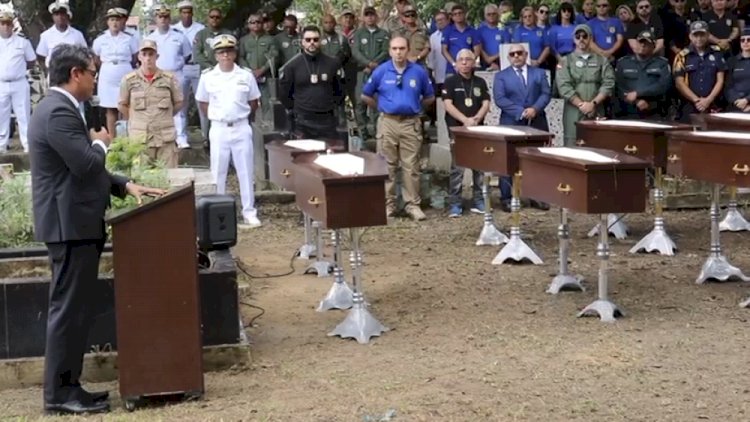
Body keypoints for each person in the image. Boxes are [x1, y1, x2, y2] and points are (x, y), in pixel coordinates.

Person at [29, 43, 164, 415]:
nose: (94, 79)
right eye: (91, 72)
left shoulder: (64, 108)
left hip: (76, 222)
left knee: (77, 310)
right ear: (75, 74)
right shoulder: (56, 111)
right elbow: (85, 164)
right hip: (67, 225)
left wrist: (123, 185)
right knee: (67, 311)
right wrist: (101, 143)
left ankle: (71, 386)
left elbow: (86, 168)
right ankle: (58, 395)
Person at [362, 36, 435, 221]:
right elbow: (366, 95)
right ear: (389, 50)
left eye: (402, 48)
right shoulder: (381, 71)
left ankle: (413, 205)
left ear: (408, 49)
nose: (398, 52)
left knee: (411, 166)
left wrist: (415, 109)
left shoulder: (418, 72)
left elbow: (429, 97)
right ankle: (389, 205)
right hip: (388, 122)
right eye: (394, 48)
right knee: (387, 165)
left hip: (410, 123)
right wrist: (382, 107)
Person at [196, 35, 262, 228]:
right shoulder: (208, 76)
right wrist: (218, 117)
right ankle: (219, 213)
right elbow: (203, 102)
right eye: (221, 52)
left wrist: (241, 116)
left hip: (241, 126)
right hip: (219, 128)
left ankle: (249, 212)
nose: (225, 55)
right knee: (218, 172)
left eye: (228, 51)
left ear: (234, 53)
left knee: (246, 171)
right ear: (216, 55)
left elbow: (254, 102)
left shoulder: (245, 75)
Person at [494, 43, 551, 211]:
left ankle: (537, 196)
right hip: (511, 121)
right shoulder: (501, 76)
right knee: (508, 159)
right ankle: (506, 197)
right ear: (508, 57)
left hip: (537, 120)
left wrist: (534, 109)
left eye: (520, 53)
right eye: (512, 54)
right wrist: (521, 111)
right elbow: (500, 99)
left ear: (526, 54)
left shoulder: (539, 73)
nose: (516, 56)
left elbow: (546, 93)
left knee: (537, 159)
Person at [118, 39, 183, 168]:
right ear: (139, 56)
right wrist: (136, 119)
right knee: (141, 179)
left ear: (157, 56)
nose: (148, 58)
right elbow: (122, 104)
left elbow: (178, 102)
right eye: (145, 54)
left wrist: (165, 115)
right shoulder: (129, 80)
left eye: (151, 54)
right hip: (140, 138)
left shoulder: (169, 79)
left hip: (165, 137)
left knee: (169, 178)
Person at [442, 49, 490, 218]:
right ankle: (455, 203)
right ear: (456, 62)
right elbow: (448, 105)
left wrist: (476, 118)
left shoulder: (480, 82)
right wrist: (465, 120)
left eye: (468, 59)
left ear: (473, 62)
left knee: (479, 166)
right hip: (457, 130)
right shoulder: (450, 82)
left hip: (477, 130)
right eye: (461, 59)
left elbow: (486, 103)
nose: (464, 63)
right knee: (457, 167)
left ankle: (478, 201)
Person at [556, 24, 615, 145]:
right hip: (573, 110)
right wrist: (582, 105)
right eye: (578, 36)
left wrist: (593, 104)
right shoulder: (565, 61)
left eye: (584, 36)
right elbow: (563, 86)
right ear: (573, 39)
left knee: (598, 144)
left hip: (597, 108)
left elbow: (608, 83)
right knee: (572, 144)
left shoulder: (602, 60)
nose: (581, 39)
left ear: (590, 38)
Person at [278, 25, 342, 138]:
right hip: (302, 120)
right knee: (303, 155)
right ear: (302, 42)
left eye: (315, 39)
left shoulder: (332, 63)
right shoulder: (292, 66)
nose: (312, 42)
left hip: (326, 119)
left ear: (321, 41)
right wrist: (295, 108)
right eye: (308, 40)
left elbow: (339, 90)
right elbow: (284, 93)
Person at [146, 4, 192, 149]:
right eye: (160, 17)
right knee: (159, 107)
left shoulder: (179, 36)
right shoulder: (150, 38)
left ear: (170, 18)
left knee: (180, 107)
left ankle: (181, 137)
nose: (163, 20)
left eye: (166, 17)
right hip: (158, 74)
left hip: (176, 73)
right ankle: (161, 136)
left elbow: (187, 55)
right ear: (155, 19)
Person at [92, 8, 138, 138]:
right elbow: (96, 58)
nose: (115, 23)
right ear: (107, 22)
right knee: (110, 108)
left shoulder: (129, 39)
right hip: (108, 73)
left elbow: (135, 57)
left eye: (117, 19)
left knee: (125, 106)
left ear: (121, 21)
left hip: (124, 71)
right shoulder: (100, 39)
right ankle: (112, 139)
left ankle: (126, 137)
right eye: (112, 20)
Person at [193, 8, 233, 146]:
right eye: (212, 17)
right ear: (207, 18)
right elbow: (197, 55)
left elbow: (234, 52)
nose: (214, 19)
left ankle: (226, 136)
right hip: (207, 75)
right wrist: (212, 68)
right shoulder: (201, 34)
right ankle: (207, 137)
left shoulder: (228, 33)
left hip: (227, 75)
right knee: (205, 105)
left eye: (217, 17)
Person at [673, 20, 726, 121]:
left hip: (713, 104)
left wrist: (708, 100)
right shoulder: (682, 56)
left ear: (708, 35)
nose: (699, 39)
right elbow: (679, 83)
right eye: (695, 35)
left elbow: (720, 80)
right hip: (689, 105)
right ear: (690, 36)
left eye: (702, 35)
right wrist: (697, 100)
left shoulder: (717, 53)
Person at [351, 7, 390, 141]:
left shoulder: (384, 34)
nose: (370, 18)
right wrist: (368, 63)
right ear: (363, 17)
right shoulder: (358, 34)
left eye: (372, 15)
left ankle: (377, 133)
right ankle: (363, 134)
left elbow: (386, 52)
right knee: (360, 103)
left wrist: (374, 65)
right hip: (362, 72)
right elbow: (355, 52)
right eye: (367, 15)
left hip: (378, 73)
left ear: (376, 17)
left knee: (376, 102)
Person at [614, 30, 671, 118]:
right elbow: (618, 86)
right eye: (640, 42)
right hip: (628, 111)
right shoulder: (623, 63)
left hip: (654, 111)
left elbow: (664, 85)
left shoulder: (662, 63)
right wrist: (637, 101)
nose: (643, 45)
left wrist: (638, 93)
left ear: (653, 46)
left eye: (646, 43)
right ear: (636, 44)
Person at [0, 9, 35, 153]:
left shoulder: (23, 42)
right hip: (1, 83)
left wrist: (17, 71)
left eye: (8, 23)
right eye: (2, 23)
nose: (6, 27)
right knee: (1, 115)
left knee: (24, 115)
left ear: (12, 25)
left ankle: (27, 144)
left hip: (19, 82)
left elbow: (31, 61)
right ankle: (1, 145)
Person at [172, 0, 205, 140]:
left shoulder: (201, 29)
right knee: (181, 103)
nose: (186, 15)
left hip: (198, 67)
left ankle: (205, 135)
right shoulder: (174, 29)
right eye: (184, 12)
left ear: (192, 13)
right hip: (182, 68)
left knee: (202, 101)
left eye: (189, 12)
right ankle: (181, 136)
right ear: (180, 14)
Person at [239, 13, 279, 129]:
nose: (256, 24)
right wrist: (249, 72)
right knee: (248, 103)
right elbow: (240, 57)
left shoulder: (270, 39)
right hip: (247, 77)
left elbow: (274, 57)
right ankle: (248, 126)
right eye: (253, 22)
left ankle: (266, 128)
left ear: (262, 24)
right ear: (248, 25)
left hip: (265, 77)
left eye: (258, 22)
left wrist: (261, 70)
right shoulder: (243, 40)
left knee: (267, 103)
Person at [36, 2, 86, 74]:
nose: (60, 17)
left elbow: (84, 55)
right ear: (53, 17)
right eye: (56, 14)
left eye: (62, 14)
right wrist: (47, 72)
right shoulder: (46, 36)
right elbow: (41, 57)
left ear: (67, 16)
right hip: (54, 74)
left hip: (73, 74)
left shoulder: (77, 35)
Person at [442, 4, 481, 75]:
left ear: (465, 14)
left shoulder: (473, 31)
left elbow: (477, 51)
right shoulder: (447, 31)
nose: (458, 15)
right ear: (452, 17)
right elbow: (444, 50)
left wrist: (468, 64)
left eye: (460, 13)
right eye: (455, 14)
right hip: (452, 69)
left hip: (468, 69)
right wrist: (454, 64)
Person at [724, 28, 750, 111]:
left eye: (749, 40)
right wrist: (737, 101)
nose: (745, 42)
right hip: (735, 104)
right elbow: (728, 86)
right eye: (742, 40)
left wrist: (747, 100)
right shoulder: (732, 61)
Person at [479, 4, 508, 69]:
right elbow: (479, 48)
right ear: (485, 16)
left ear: (498, 14)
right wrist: (488, 60)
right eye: (488, 14)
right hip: (484, 64)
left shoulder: (504, 29)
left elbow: (506, 47)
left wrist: (491, 59)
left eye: (493, 14)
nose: (491, 16)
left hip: (501, 63)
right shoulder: (480, 30)